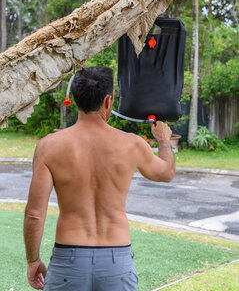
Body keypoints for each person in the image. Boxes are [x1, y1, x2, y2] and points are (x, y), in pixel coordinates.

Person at [24, 66, 175, 291]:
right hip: (117, 262)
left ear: (75, 99)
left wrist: (33, 260)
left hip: (68, 261)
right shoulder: (132, 144)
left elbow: (35, 214)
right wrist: (163, 140)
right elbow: (166, 173)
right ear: (108, 101)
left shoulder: (49, 146)